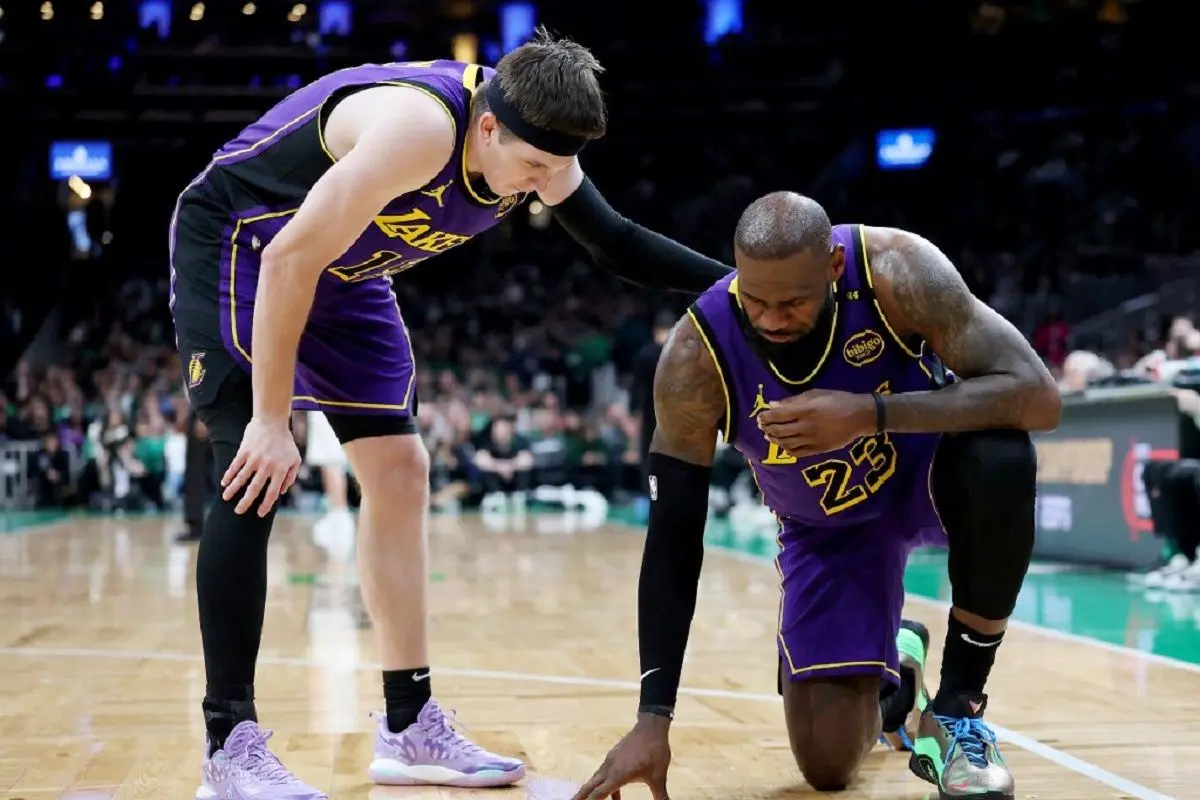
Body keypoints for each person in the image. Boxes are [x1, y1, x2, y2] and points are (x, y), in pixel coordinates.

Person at [168, 27, 728, 799]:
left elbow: (614, 243)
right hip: (247, 244)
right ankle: (227, 747)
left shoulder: (535, 139)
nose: (542, 187)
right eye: (533, 170)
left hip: (344, 271)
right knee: (253, 469)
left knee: (401, 470)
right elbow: (290, 257)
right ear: (487, 127)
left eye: (555, 171)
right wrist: (270, 419)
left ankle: (408, 726)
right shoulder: (419, 129)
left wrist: (742, 291)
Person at [568, 193, 1062, 800]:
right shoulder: (696, 356)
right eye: (756, 301)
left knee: (1002, 456)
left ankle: (958, 710)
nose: (772, 319)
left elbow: (1039, 397)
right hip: (827, 529)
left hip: (929, 474)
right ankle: (900, 675)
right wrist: (652, 718)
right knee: (826, 765)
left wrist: (870, 414)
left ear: (833, 267)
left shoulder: (897, 271)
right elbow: (673, 538)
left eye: (793, 302)